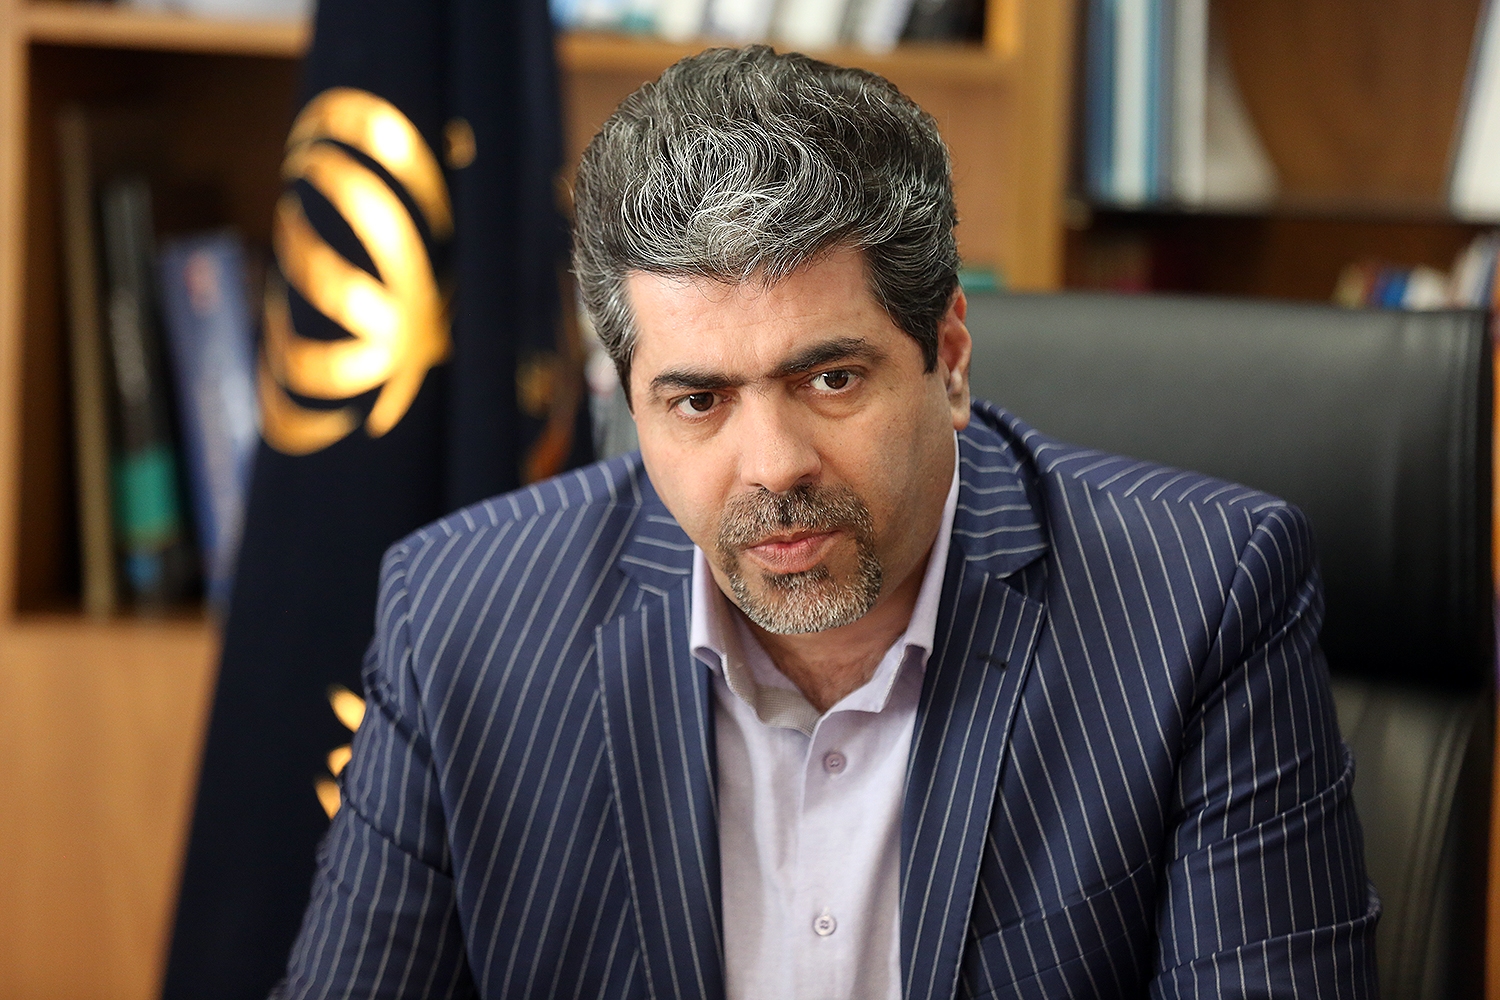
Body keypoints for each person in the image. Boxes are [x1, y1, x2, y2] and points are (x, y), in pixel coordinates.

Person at [276, 45, 1377, 999]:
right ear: (631, 402)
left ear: (949, 357)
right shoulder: (460, 618)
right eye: (699, 401)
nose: (772, 467)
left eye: (831, 379)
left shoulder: (1202, 602)